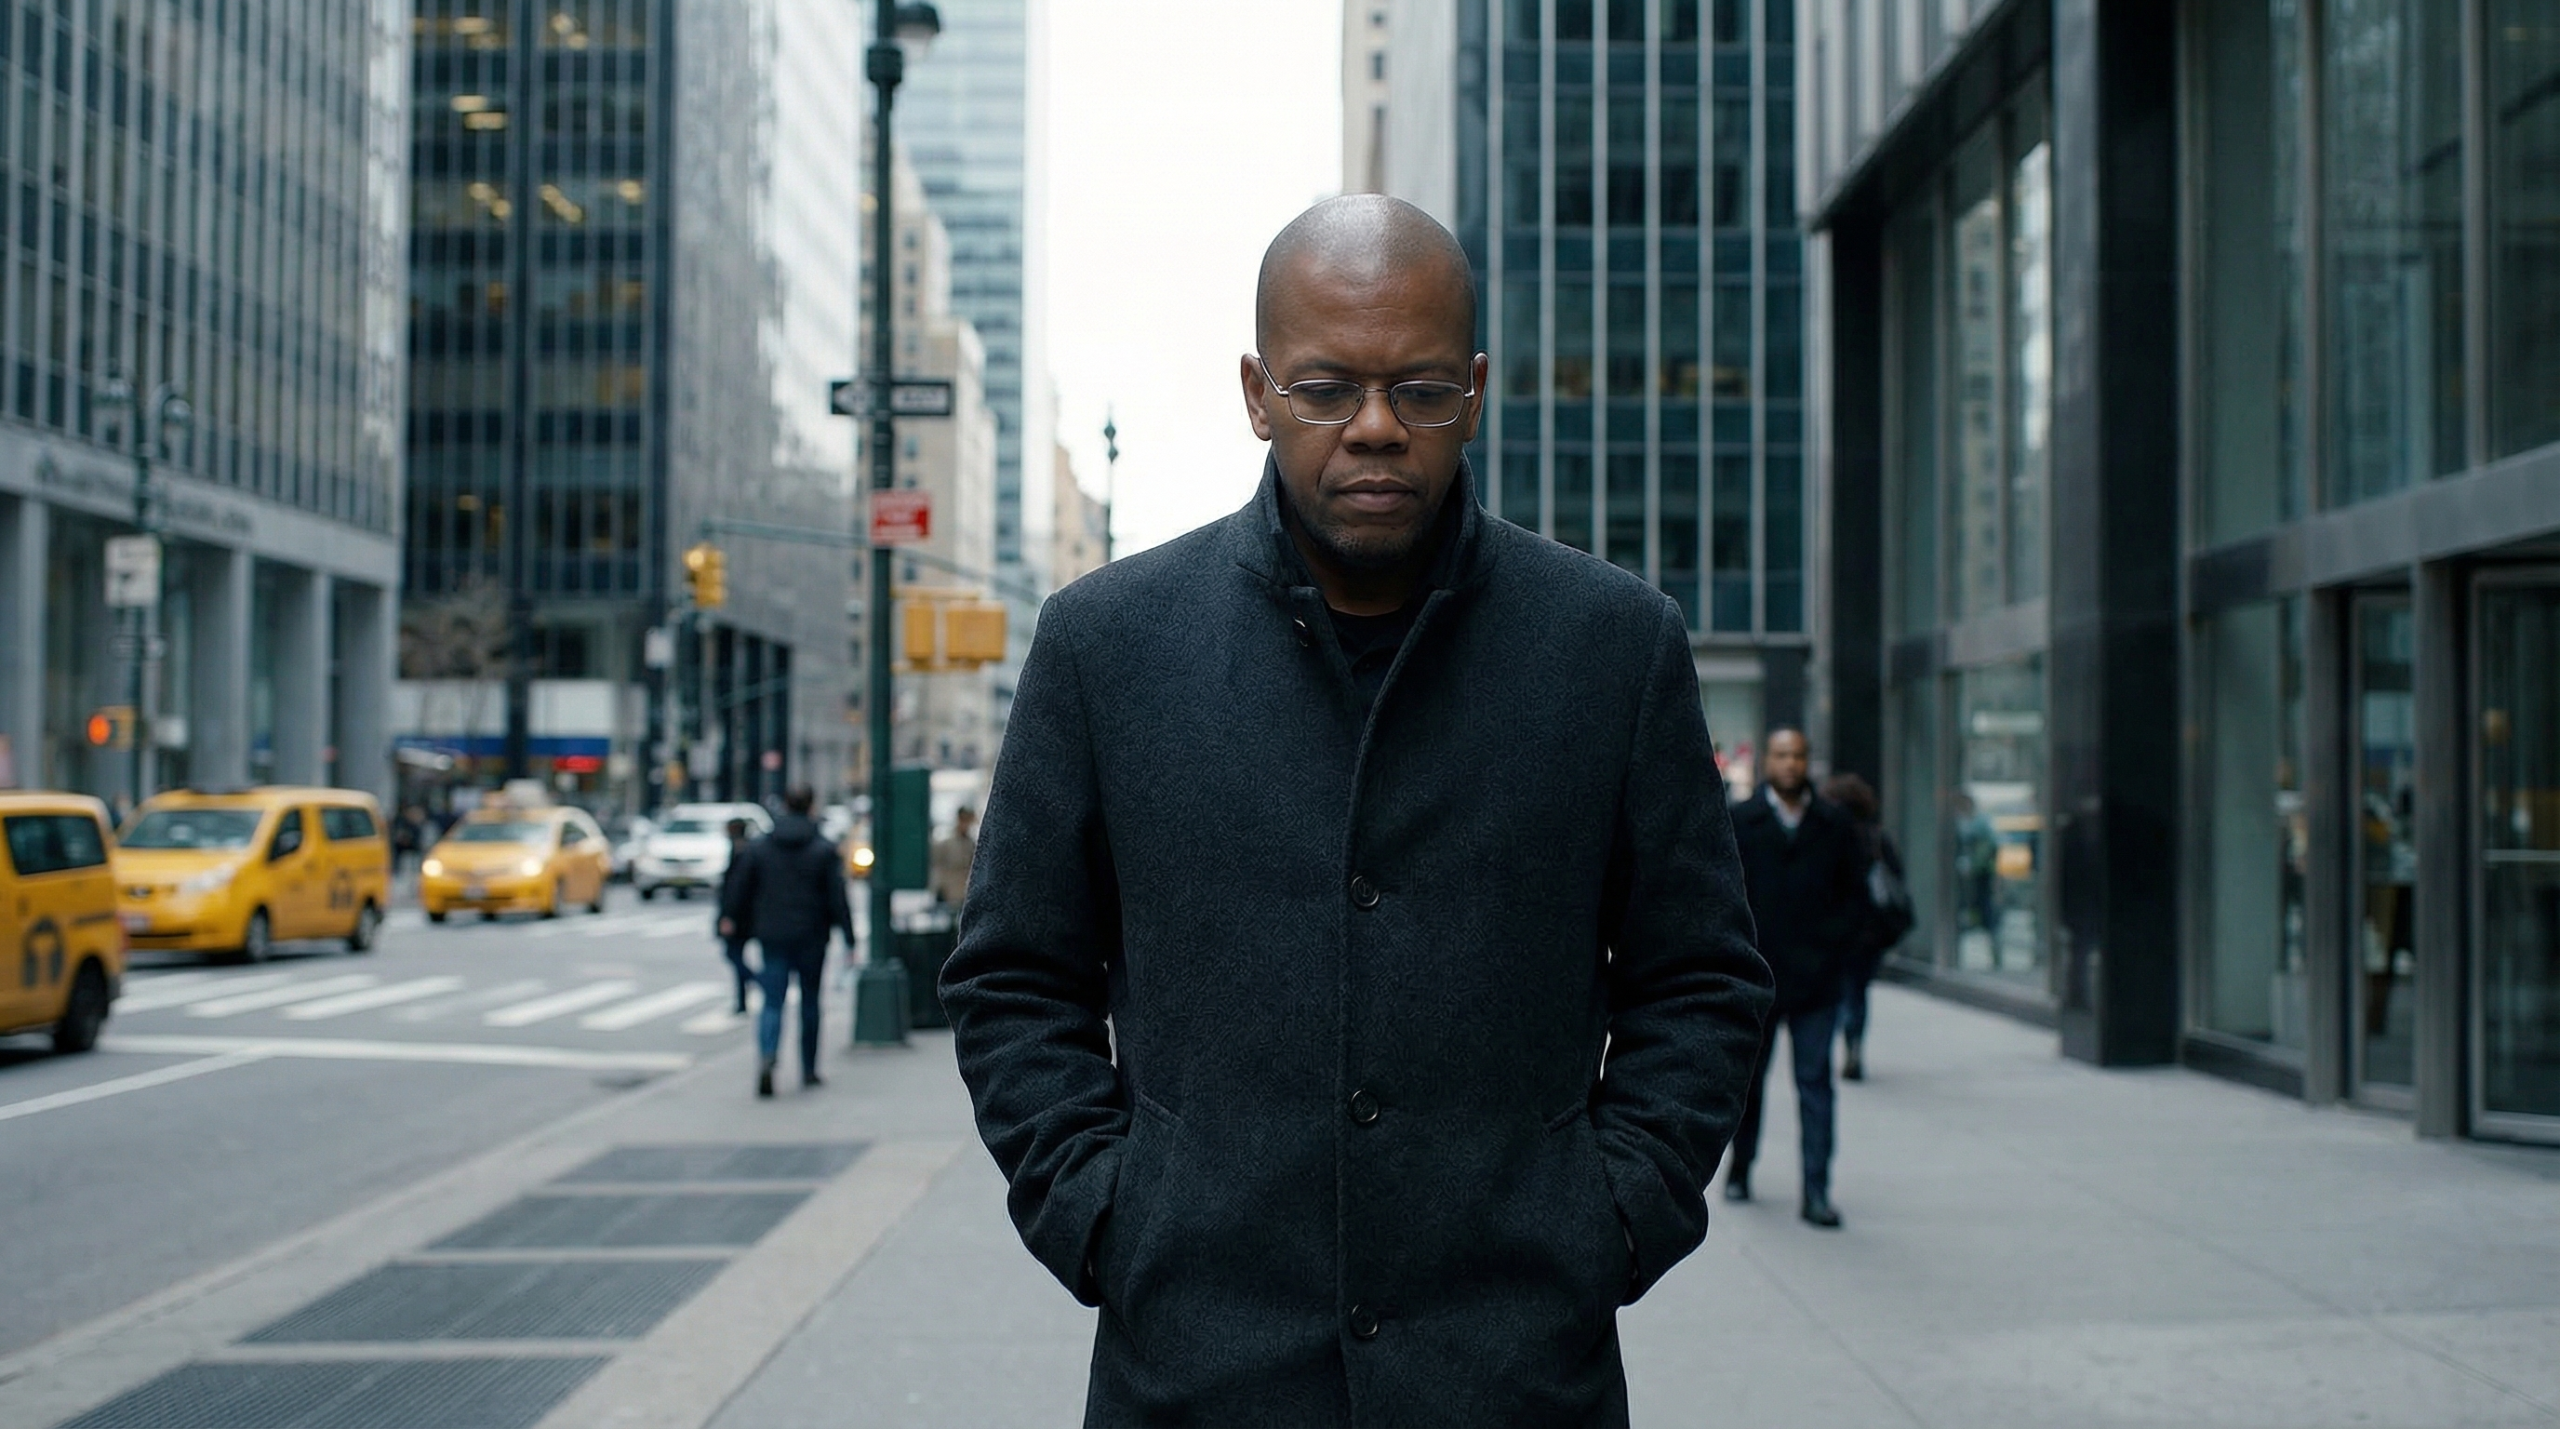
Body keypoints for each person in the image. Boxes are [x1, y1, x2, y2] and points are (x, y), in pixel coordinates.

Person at [940, 195, 1772, 1425]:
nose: (1375, 428)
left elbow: (1701, 978)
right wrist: (1104, 1214)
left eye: (1420, 390)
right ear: (1256, 392)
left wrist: (1609, 1216)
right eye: (1327, 388)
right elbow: (1012, 975)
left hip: (1517, 1375)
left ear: (1476, 390)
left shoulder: (1611, 646)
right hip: (1194, 1372)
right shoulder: (1105, 645)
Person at [1724, 728, 1870, 1229]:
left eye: (1799, 756)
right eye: (1782, 755)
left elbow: (1857, 897)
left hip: (1816, 984)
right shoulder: (1741, 822)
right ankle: (1740, 1168)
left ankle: (1816, 1191)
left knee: (1815, 1087)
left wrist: (1835, 952)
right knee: (1749, 1085)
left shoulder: (1834, 824)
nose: (1791, 764)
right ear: (1767, 761)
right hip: (1756, 981)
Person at [720, 783, 852, 1098]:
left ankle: (768, 1055)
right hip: (812, 935)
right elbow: (837, 897)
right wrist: (849, 935)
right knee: (810, 1002)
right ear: (811, 806)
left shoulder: (761, 846)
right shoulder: (822, 848)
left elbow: (740, 887)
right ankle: (808, 1069)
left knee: (772, 1002)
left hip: (772, 933)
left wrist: (731, 918)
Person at [1820, 772, 1910, 1082]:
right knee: (1857, 990)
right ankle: (1854, 1041)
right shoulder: (1875, 837)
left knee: (1839, 990)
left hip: (1841, 929)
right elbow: (1897, 877)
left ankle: (1843, 1039)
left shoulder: (1829, 836)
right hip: (1870, 930)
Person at [714, 817, 755, 1016]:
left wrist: (728, 916)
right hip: (744, 915)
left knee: (733, 954)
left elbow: (735, 888)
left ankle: (756, 981)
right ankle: (741, 1001)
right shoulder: (744, 849)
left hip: (738, 916)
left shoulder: (740, 851)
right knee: (735, 955)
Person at [929, 806, 976, 911]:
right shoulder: (945, 842)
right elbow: (938, 867)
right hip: (948, 893)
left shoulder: (971, 844)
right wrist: (940, 889)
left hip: (965, 894)